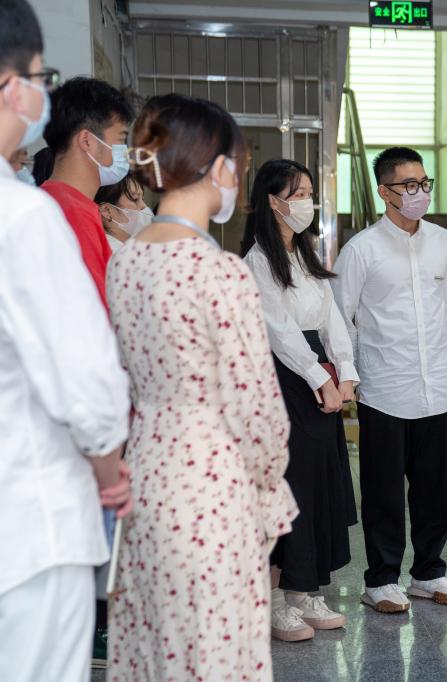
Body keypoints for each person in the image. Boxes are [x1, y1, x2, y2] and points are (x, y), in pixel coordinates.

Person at [105, 93, 297, 680]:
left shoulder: (125, 260)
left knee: (158, 646)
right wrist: (271, 480)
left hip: (146, 475)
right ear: (215, 167)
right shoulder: (219, 271)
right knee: (212, 648)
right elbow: (256, 410)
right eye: (235, 164)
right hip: (210, 483)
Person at [0, 2, 132, 680]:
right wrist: (111, 467)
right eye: (36, 76)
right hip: (34, 511)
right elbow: (83, 365)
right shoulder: (37, 215)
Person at [332, 146, 447, 612]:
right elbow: (341, 318)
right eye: (409, 185)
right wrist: (352, 374)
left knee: (434, 490)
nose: (419, 192)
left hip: (436, 387)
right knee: (384, 492)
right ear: (384, 192)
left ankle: (429, 572)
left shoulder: (444, 242)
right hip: (384, 389)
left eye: (424, 183)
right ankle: (381, 579)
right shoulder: (360, 249)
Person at [242, 159, 359, 642]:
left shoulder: (306, 256)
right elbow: (279, 331)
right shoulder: (258, 260)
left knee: (318, 485)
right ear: (274, 201)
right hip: (284, 378)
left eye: (310, 192)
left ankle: (305, 591)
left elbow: (331, 318)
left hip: (318, 373)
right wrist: (318, 378)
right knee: (291, 484)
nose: (308, 202)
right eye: (299, 193)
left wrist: (345, 371)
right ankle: (274, 600)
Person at [40, 76, 133, 307]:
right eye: (121, 139)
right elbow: (96, 311)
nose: (124, 151)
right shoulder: (72, 213)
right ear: (87, 141)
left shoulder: (57, 200)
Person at [95, 173, 152, 252]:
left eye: (142, 199)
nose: (144, 206)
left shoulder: (128, 249)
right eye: (135, 199)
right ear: (107, 211)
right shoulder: (112, 253)